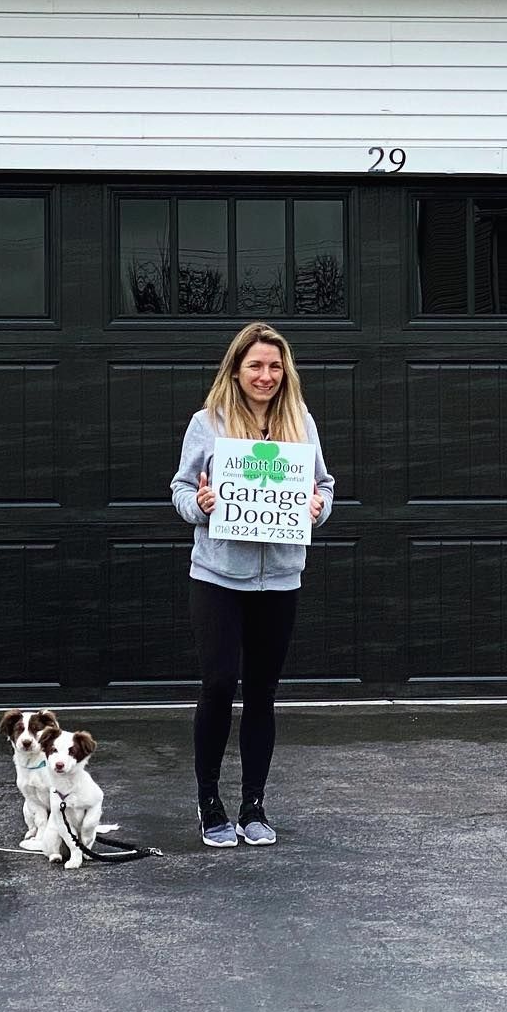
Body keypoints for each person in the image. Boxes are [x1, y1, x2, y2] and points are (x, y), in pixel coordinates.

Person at [169, 322, 335, 848]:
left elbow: (324, 489)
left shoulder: (300, 421)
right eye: (255, 365)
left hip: (280, 578)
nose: (266, 375)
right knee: (219, 683)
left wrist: (317, 507)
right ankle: (209, 801)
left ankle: (254, 805)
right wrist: (200, 505)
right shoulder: (208, 422)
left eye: (274, 365)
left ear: (285, 370)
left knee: (262, 691)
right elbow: (179, 489)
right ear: (236, 370)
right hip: (218, 576)